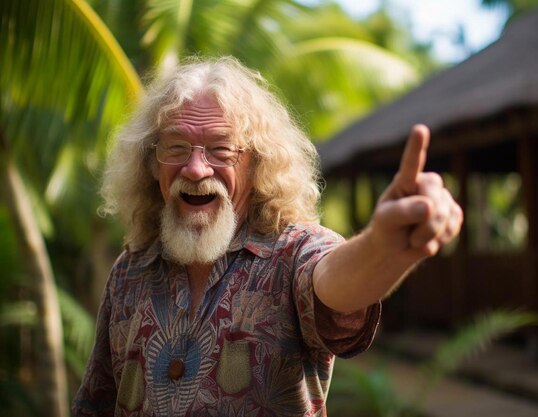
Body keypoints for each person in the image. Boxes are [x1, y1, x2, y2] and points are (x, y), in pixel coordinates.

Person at [73, 56, 463, 417]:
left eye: (220, 150)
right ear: (151, 162)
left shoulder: (291, 253)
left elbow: (335, 282)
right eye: (175, 147)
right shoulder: (129, 271)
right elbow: (95, 404)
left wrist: (383, 247)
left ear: (255, 163)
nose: (194, 169)